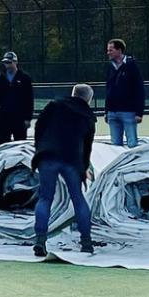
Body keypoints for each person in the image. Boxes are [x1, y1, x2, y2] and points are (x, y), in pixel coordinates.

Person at [32, 83, 97, 257]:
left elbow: (39, 127)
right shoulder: (88, 117)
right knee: (77, 198)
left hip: (48, 155)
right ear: (88, 100)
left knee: (45, 197)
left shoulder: (54, 105)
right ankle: (86, 242)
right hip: (72, 160)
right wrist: (84, 168)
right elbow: (87, 147)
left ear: (72, 93)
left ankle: (40, 240)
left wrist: (39, 150)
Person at [104, 38, 145, 148]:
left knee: (132, 144)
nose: (108, 53)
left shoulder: (132, 66)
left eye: (111, 50)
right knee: (115, 146)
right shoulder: (110, 66)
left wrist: (139, 112)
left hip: (129, 112)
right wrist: (107, 111)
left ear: (119, 50)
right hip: (112, 112)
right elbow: (108, 89)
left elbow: (139, 89)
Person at [0, 52, 34, 144]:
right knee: (2, 145)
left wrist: (28, 118)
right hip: (4, 118)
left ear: (15, 62)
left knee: (20, 146)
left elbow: (29, 99)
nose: (7, 65)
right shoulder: (0, 79)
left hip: (19, 118)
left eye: (9, 62)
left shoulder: (24, 78)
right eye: (6, 63)